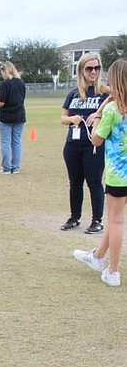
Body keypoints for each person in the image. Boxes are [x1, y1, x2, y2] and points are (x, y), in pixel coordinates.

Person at [73, 57, 127, 288]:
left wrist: (96, 119)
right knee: (116, 218)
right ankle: (97, 257)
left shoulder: (114, 110)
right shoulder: (113, 106)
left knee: (114, 221)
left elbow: (96, 139)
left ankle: (113, 271)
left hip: (118, 174)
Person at [60, 52, 109, 234]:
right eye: (89, 68)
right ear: (81, 70)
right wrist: (72, 118)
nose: (93, 72)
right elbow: (63, 118)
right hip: (73, 144)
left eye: (96, 68)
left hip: (94, 145)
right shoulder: (73, 94)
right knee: (75, 182)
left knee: (94, 182)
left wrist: (98, 116)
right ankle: (74, 217)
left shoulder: (105, 94)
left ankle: (97, 220)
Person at [0, 61, 26, 174]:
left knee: (5, 142)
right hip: (19, 115)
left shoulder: (5, 84)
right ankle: (15, 167)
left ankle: (6, 167)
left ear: (5, 71)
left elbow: (1, 102)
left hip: (5, 117)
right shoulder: (21, 83)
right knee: (16, 142)